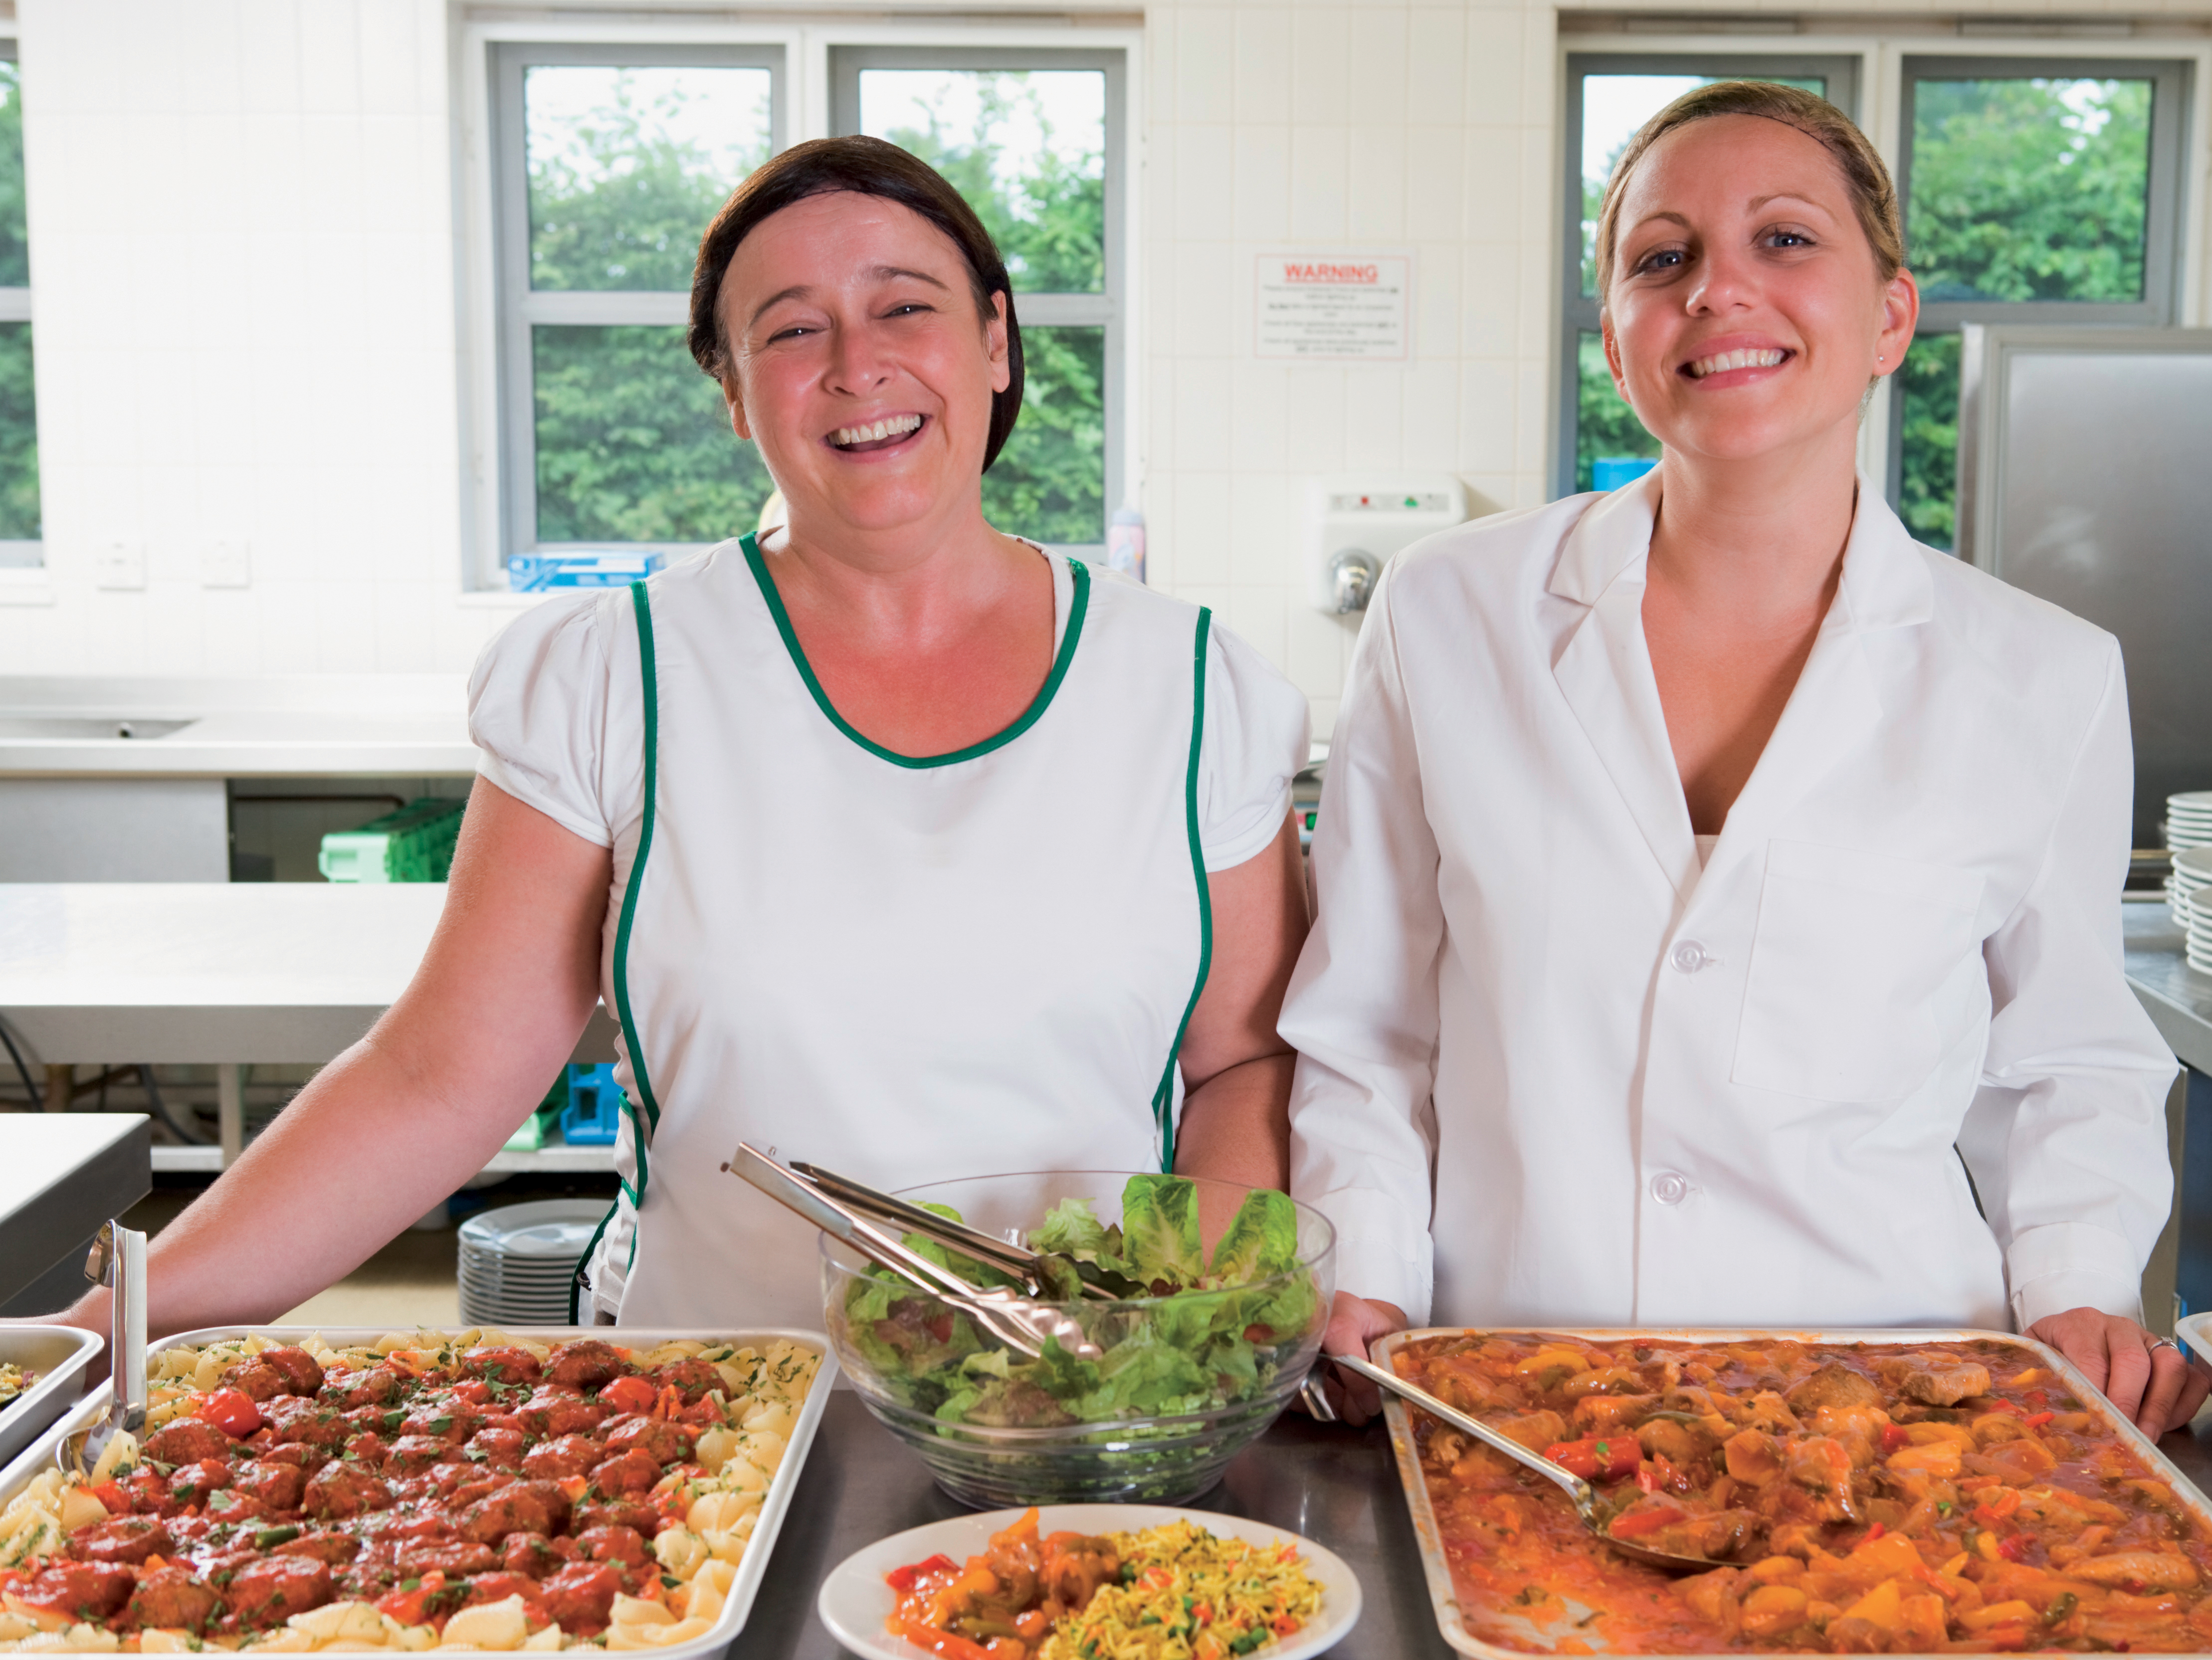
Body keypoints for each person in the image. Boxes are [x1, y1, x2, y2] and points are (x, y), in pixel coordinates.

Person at [51, 137, 1309, 1335]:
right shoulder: (614, 673)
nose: (857, 364)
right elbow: (437, 1080)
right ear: (731, 390)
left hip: (1091, 1416)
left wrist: (1164, 1335)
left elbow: (1243, 1067)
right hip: (719, 1412)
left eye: (905, 307)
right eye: (793, 329)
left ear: (994, 340)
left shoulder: (1194, 685)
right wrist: (125, 1319)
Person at [1286, 82, 2207, 1440]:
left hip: (1894, 1406)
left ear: (1891, 315)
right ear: (1616, 337)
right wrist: (1360, 1261)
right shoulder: (1448, 611)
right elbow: (1369, 1021)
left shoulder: (2041, 674)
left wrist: (2075, 1284)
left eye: (1785, 241)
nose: (1721, 291)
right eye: (1664, 259)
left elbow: (2068, 1058)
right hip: (1512, 1397)